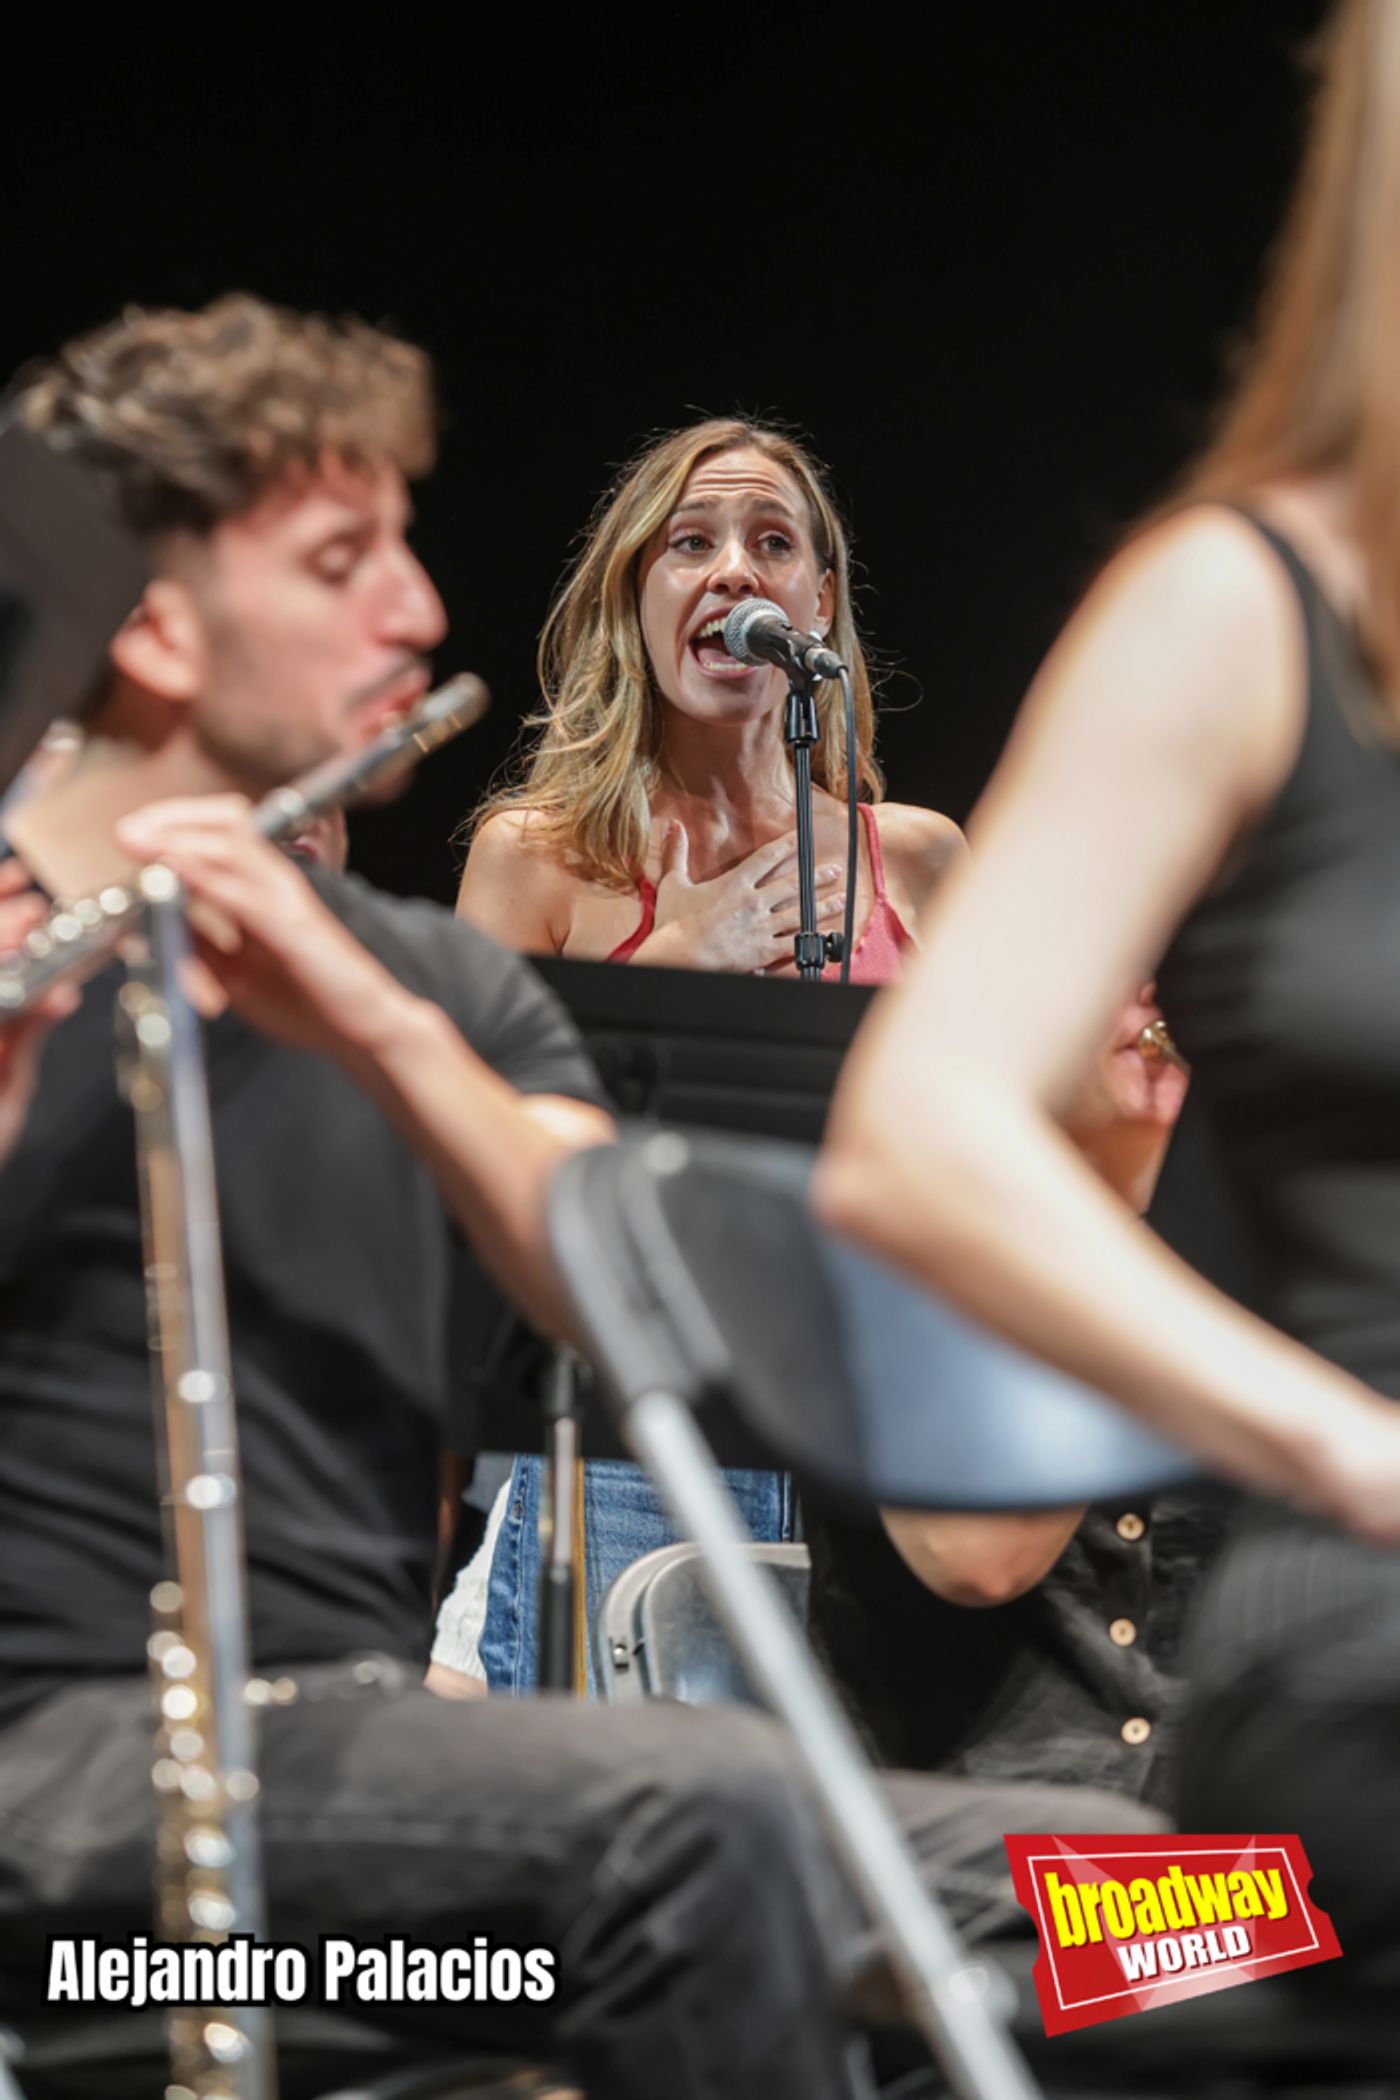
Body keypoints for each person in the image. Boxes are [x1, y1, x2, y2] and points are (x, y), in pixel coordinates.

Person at [0, 296, 1158, 2100]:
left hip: (385, 1779)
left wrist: (381, 1027)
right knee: (714, 1819)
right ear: (154, 622)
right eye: (342, 561)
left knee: (1164, 1918)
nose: (420, 612)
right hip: (78, 1802)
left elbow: (618, 1288)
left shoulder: (434, 989)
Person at [819, 0, 1400, 1975]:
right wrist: (1333, 1444)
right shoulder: (1241, 610)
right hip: (1142, 1878)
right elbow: (970, 1546)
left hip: (1184, 1871)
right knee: (1099, 1934)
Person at [433, 417, 964, 1695]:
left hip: (868, 1408)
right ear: (637, 594)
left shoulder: (916, 859)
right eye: (691, 542)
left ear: (817, 605)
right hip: (640, 1423)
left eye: (771, 543)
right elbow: (456, 1152)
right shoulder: (536, 856)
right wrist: (680, 960)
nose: (734, 571)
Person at [810, 986, 1234, 1810]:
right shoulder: (904, 1226)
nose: (1160, 988)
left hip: (1233, 1865)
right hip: (976, 1844)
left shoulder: (1271, 1222)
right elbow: (978, 1558)